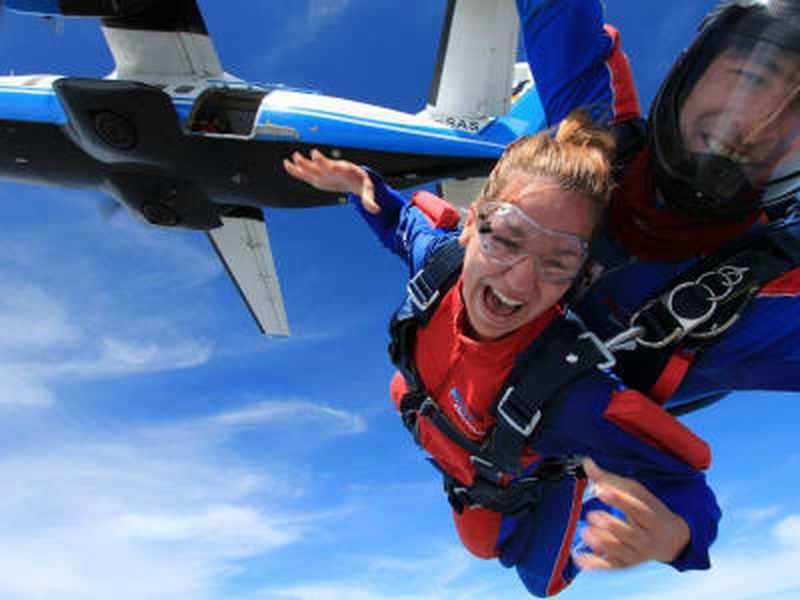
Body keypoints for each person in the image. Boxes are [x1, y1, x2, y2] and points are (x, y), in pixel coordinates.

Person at [284, 110, 721, 597]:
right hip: (460, 459)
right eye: (507, 239)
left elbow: (686, 483)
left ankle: (568, 470)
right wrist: (359, 184)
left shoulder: (571, 394)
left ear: (580, 275)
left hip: (499, 466)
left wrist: (674, 536)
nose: (518, 281)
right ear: (471, 224)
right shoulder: (441, 261)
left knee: (541, 580)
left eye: (558, 264)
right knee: (480, 544)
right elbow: (400, 223)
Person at [515, 0, 800, 415]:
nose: (755, 126)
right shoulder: (596, 136)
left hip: (543, 460)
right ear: (692, 70)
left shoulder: (766, 301)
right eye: (751, 77)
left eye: (796, 115)